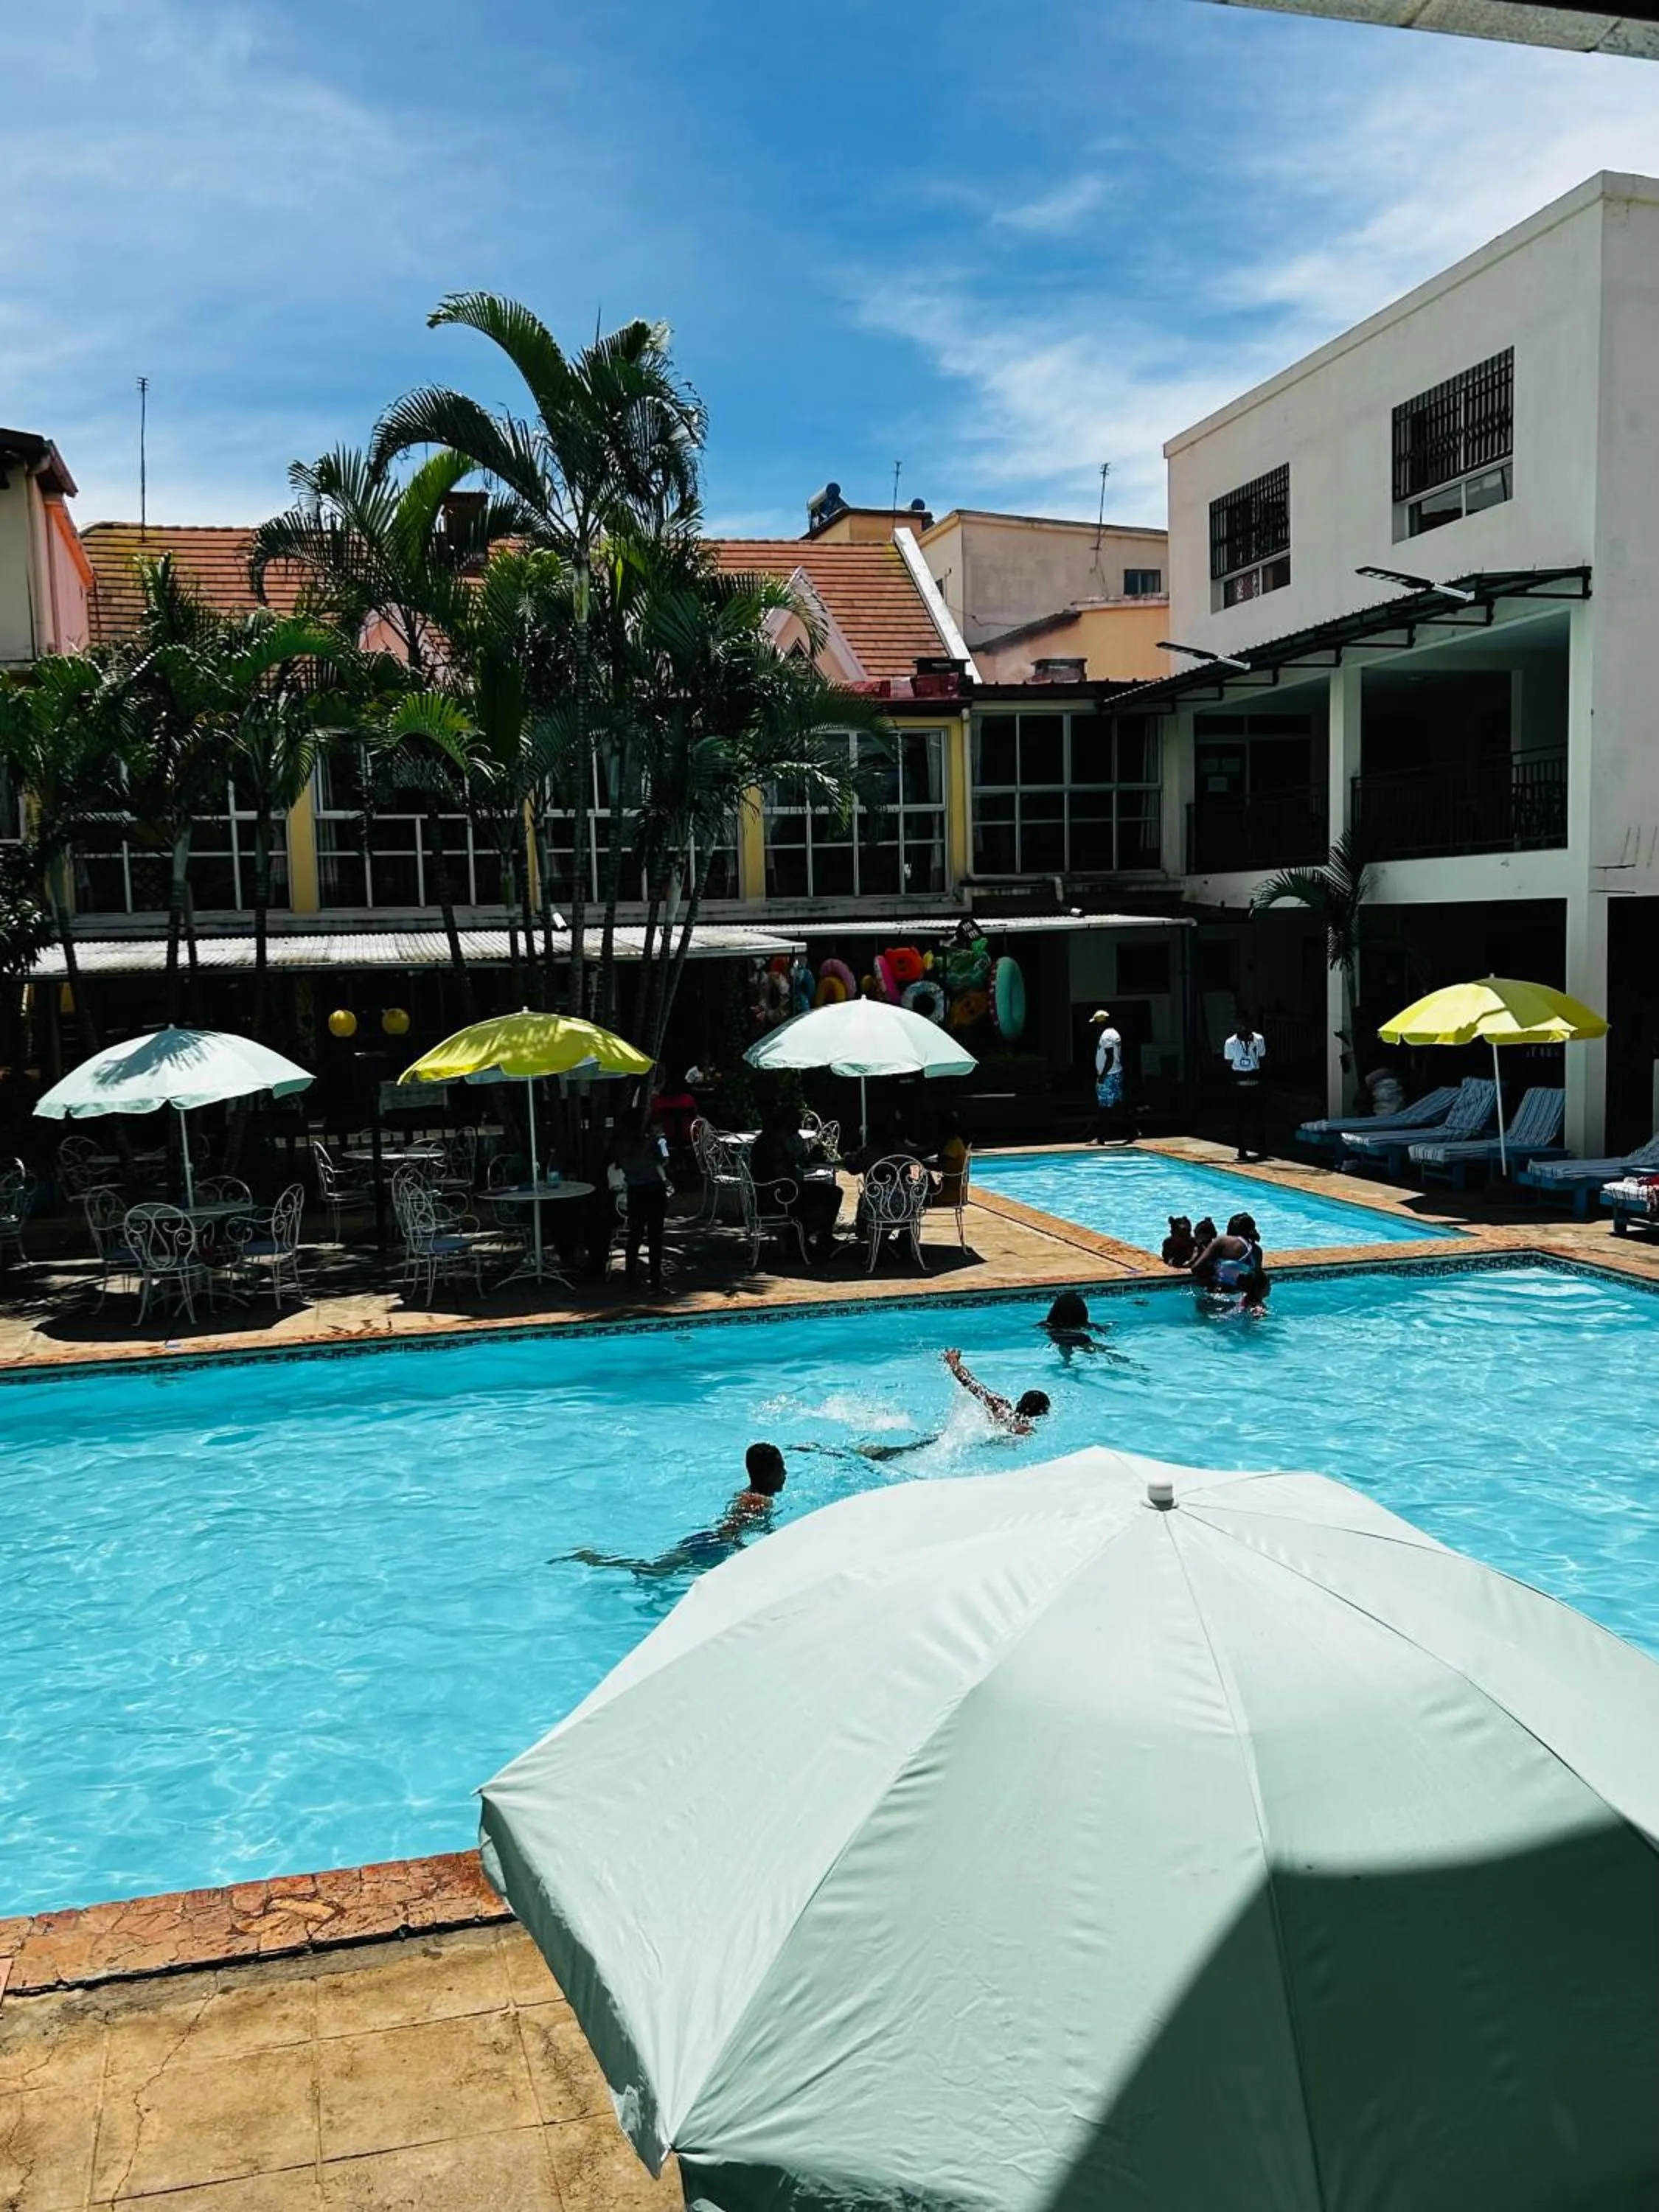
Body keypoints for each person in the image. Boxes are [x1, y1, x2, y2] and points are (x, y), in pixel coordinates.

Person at [565, 1443, 786, 1577]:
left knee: (658, 1569)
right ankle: (598, 1560)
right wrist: (741, 1551)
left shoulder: (747, 1493)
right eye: (781, 1469)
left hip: (707, 1540)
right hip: (713, 1546)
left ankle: (600, 1559)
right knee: (653, 1570)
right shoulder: (758, 1502)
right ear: (768, 1475)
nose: (785, 1474)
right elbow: (732, 1529)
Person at [751, 1105, 841, 1263]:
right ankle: (808, 1238)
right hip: (776, 1197)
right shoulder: (771, 1147)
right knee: (830, 1195)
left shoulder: (773, 1143)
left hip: (780, 1192)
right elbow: (784, 1175)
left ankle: (813, 1237)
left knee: (829, 1193)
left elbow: (794, 1168)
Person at [611, 1113, 671, 1295]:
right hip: (653, 1189)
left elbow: (619, 1165)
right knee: (655, 1237)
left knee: (635, 1235)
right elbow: (664, 1160)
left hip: (636, 1192)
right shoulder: (651, 1143)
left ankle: (631, 1278)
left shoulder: (620, 1147)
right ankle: (655, 1281)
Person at [942, 1348, 1050, 1435]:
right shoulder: (1028, 1430)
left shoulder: (1002, 1407)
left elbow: (973, 1385)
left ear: (1019, 1403)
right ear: (1042, 1414)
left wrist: (954, 1363)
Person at [1191, 1213, 1270, 1310]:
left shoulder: (1223, 1241)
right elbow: (1257, 1282)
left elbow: (1196, 1268)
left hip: (1214, 1297)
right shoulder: (1257, 1251)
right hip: (1239, 1302)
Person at [1223, 1017, 1268, 1161]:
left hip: (1254, 1075)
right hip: (1239, 1077)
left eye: (1247, 1026)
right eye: (1241, 1026)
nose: (1244, 1029)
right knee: (1239, 1117)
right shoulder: (1230, 1042)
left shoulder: (1259, 1039)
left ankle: (1262, 1149)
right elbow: (1229, 1061)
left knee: (1258, 1116)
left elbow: (1261, 1056)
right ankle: (1241, 1149)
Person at [1090, 1009, 1126, 1144]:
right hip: (1116, 1073)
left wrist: (1102, 1076)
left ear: (1100, 1023)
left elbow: (1109, 1058)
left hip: (1109, 1075)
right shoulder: (1115, 1033)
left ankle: (1101, 1137)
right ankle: (1132, 1131)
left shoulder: (1106, 1036)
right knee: (1118, 1104)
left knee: (1103, 1108)